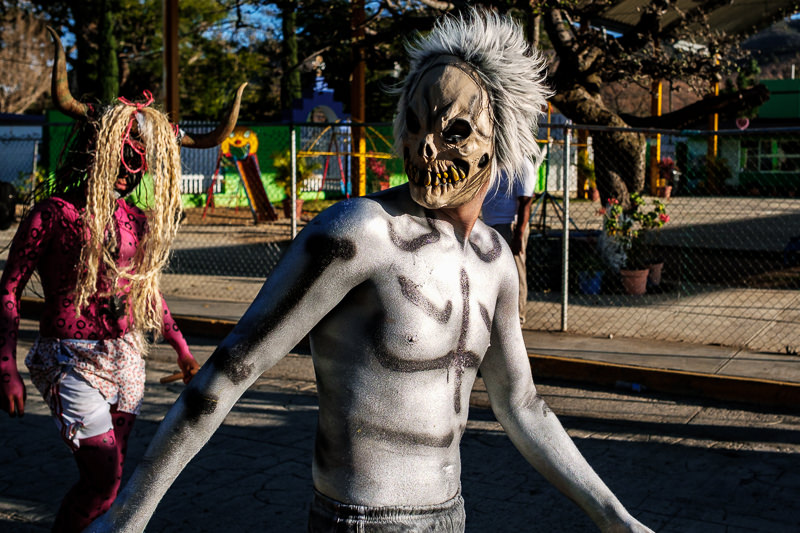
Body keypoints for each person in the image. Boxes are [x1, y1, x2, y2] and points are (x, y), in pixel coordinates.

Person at [88, 10, 652, 533]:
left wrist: (613, 516)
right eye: (413, 123)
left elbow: (522, 405)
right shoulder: (360, 232)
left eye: (454, 131)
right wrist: (128, 518)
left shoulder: (494, 260)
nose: (426, 147)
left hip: (449, 516)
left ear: (498, 142)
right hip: (360, 520)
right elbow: (232, 371)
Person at [0, 30, 244, 533]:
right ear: (98, 148)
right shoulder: (53, 214)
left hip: (128, 355)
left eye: (140, 157)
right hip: (69, 356)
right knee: (103, 475)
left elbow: (145, 287)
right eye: (123, 152)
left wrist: (178, 345)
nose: (131, 167)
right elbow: (7, 290)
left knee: (108, 487)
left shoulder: (137, 220)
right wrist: (5, 365)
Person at [481, 157, 537, 323]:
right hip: (490, 224)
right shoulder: (494, 161)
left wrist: (518, 235)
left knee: (515, 272)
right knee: (492, 272)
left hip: (510, 226)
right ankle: (495, 314)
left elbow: (526, 202)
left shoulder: (522, 164)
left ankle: (517, 316)